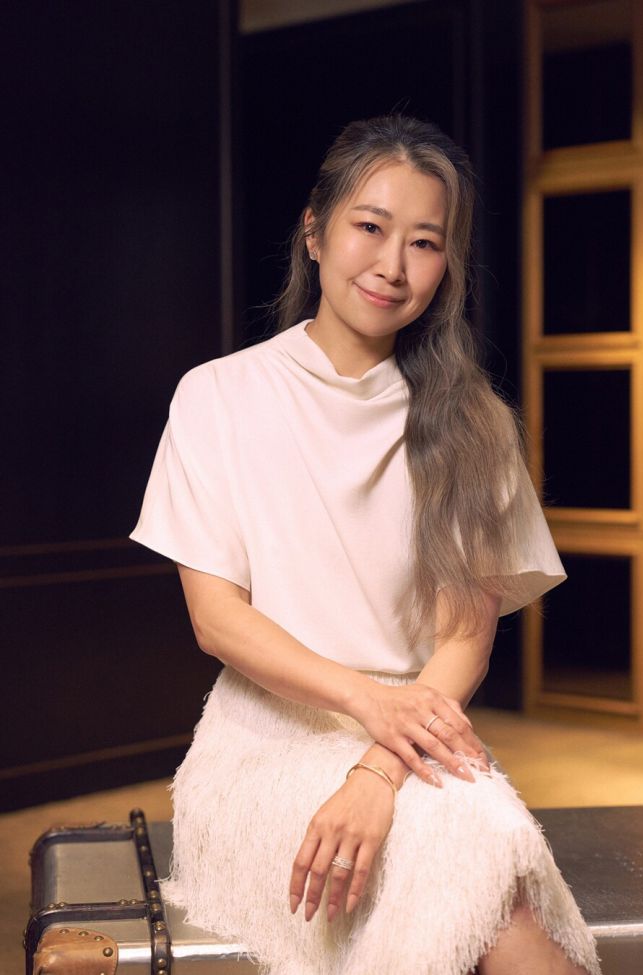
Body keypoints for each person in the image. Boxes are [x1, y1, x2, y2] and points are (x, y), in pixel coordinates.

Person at [130, 115, 602, 975]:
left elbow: (464, 638)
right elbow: (217, 620)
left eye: (425, 242)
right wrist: (367, 703)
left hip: (418, 742)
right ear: (315, 232)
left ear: (448, 266)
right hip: (262, 744)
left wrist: (380, 765)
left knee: (482, 860)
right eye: (371, 227)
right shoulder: (219, 396)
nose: (393, 265)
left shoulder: (474, 423)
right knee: (482, 866)